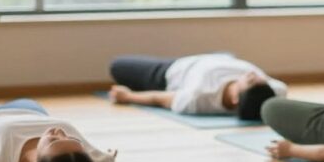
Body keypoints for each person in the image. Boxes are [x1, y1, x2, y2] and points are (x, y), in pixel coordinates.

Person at [108, 53, 287, 120]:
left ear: (235, 99)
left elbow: (159, 98)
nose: (253, 74)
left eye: (249, 80)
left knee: (118, 65)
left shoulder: (197, 98)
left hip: (174, 69)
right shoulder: (273, 91)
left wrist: (128, 97)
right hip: (222, 57)